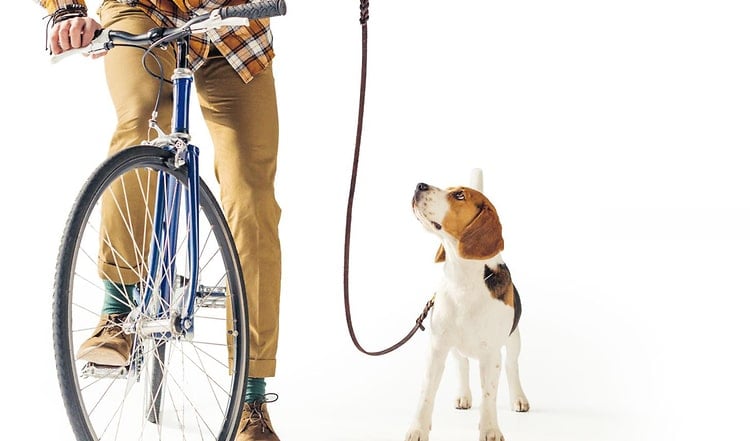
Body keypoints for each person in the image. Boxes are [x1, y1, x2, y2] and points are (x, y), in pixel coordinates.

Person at [39, 1, 283, 440]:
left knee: (252, 199)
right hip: (144, 8)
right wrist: (67, 10)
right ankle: (117, 311)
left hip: (236, 25)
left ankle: (251, 396)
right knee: (142, 124)